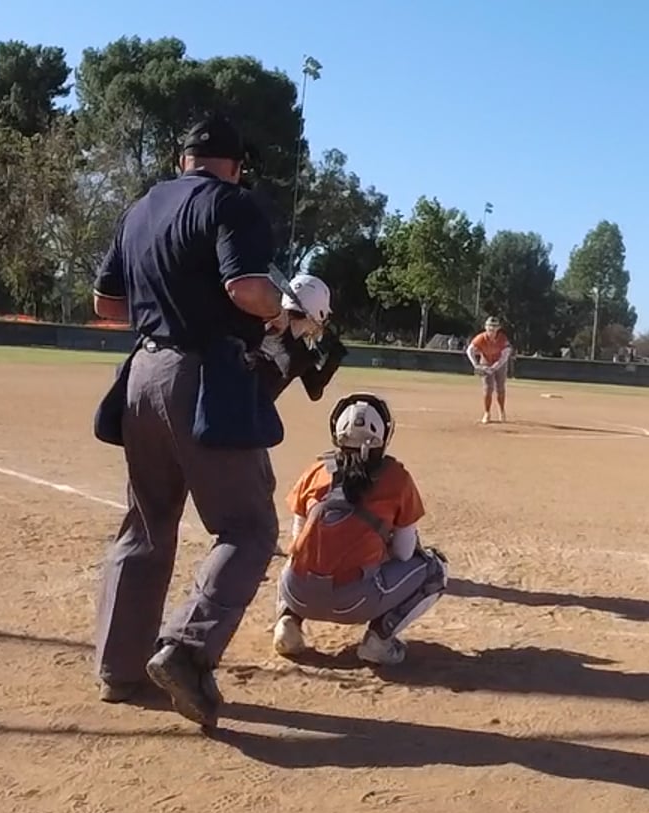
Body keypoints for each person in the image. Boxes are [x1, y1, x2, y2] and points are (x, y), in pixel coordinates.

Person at [88, 113, 287, 731]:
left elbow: (106, 303)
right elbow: (245, 287)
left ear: (183, 160)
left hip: (141, 376)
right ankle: (186, 649)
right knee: (249, 526)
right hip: (204, 376)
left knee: (146, 525)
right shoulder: (231, 203)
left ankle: (119, 668)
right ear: (235, 166)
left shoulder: (139, 210)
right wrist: (283, 315)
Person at [272, 393, 448, 666]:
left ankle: (287, 621)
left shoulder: (316, 470)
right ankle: (379, 639)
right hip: (354, 602)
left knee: (297, 557)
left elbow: (298, 536)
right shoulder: (396, 478)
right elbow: (403, 553)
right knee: (435, 569)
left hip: (297, 592)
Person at [253, 273, 348, 405]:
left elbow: (314, 390)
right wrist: (315, 355)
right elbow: (288, 361)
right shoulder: (277, 338)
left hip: (251, 409)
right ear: (316, 313)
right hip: (237, 407)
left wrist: (334, 358)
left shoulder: (298, 348)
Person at [467, 316, 513, 424]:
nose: (491, 330)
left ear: (498, 328)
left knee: (500, 388)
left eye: (494, 327)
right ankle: (487, 413)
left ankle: (501, 411)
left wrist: (494, 367)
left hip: (500, 364)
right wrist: (476, 365)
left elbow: (505, 356)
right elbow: (470, 350)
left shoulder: (503, 339)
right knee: (488, 389)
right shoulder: (481, 338)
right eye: (489, 327)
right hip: (486, 362)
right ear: (485, 327)